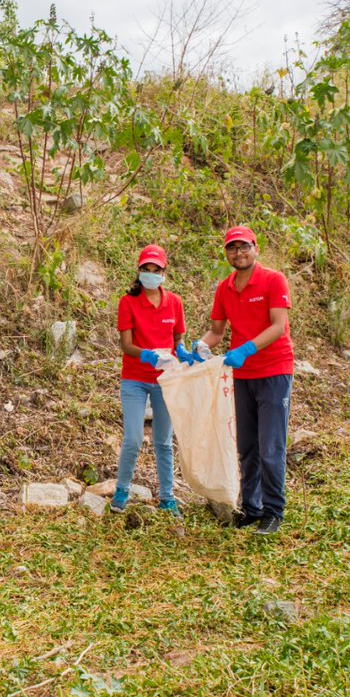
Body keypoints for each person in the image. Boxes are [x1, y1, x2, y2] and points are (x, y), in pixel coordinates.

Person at [191, 226, 294, 536]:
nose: (238, 252)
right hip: (242, 375)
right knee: (247, 446)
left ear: (255, 247)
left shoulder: (273, 280)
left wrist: (247, 348)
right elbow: (218, 331)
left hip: (274, 371)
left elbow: (279, 326)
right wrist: (200, 348)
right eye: (232, 248)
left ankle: (274, 512)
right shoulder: (225, 288)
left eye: (244, 246)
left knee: (270, 447)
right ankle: (252, 509)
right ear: (227, 254)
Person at [113, 244, 193, 515]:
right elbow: (126, 344)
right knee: (133, 439)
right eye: (146, 269)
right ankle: (122, 489)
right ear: (139, 271)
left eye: (155, 269)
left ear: (163, 272)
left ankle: (167, 497)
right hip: (135, 378)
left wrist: (182, 352)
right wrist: (145, 355)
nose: (150, 274)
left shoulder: (174, 302)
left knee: (163, 440)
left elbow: (177, 338)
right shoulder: (128, 302)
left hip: (165, 380)